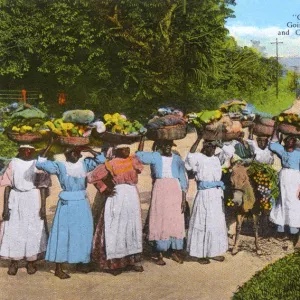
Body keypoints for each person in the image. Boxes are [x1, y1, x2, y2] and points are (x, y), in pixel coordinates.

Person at [36, 142, 105, 279]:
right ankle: (58, 268)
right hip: (67, 203)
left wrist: (89, 149)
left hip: (82, 202)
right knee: (62, 234)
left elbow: (101, 160)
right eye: (71, 152)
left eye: (76, 152)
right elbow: (40, 164)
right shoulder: (60, 166)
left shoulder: (85, 164)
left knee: (83, 232)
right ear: (66, 154)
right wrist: (49, 144)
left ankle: (81, 262)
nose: (74, 154)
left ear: (79, 153)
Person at [91, 144, 144, 276]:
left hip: (131, 194)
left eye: (128, 148)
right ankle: (114, 264)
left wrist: (142, 139)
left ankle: (130, 261)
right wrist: (105, 189)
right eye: (124, 149)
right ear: (117, 150)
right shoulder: (111, 164)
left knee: (131, 227)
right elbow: (94, 177)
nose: (127, 151)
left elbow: (140, 153)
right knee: (116, 227)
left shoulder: (133, 160)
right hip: (118, 195)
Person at [136, 137, 187, 266]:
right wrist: (142, 139)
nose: (167, 147)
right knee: (160, 218)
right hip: (160, 190)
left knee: (175, 219)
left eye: (170, 145)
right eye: (165, 145)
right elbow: (139, 155)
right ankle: (158, 252)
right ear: (159, 146)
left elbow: (183, 179)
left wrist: (183, 199)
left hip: (175, 190)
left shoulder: (177, 159)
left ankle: (174, 250)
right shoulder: (155, 156)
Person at [0, 145, 51, 275]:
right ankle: (14, 262)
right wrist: (5, 207)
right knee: (14, 229)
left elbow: (43, 186)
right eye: (24, 150)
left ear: (34, 151)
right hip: (16, 197)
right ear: (19, 151)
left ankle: (31, 262)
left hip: (33, 198)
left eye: (30, 150)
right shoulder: (14, 163)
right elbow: (7, 185)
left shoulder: (37, 164)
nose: (27, 152)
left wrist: (43, 206)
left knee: (32, 229)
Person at [185, 130, 228, 264]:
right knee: (203, 221)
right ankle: (201, 253)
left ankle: (213, 252)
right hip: (204, 195)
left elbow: (228, 152)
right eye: (208, 146)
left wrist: (219, 143)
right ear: (204, 146)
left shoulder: (216, 159)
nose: (211, 149)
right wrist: (198, 139)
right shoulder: (199, 157)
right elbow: (189, 157)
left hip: (215, 194)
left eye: (213, 146)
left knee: (215, 222)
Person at [268, 124, 300, 248]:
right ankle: (282, 227)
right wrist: (275, 128)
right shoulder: (282, 151)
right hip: (283, 178)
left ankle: (293, 230)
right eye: (287, 140)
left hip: (295, 178)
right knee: (282, 201)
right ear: (285, 142)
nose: (290, 142)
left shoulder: (298, 153)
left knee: (293, 203)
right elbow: (272, 144)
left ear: (296, 142)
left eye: (292, 140)